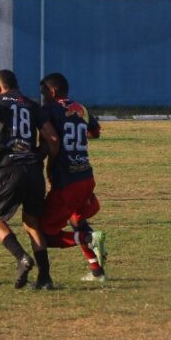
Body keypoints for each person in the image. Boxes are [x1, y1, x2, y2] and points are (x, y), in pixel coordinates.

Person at [0, 69, 59, 289]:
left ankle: (22, 258)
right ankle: (45, 278)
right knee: (32, 222)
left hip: (8, 168)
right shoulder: (33, 105)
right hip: (33, 170)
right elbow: (52, 138)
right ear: (16, 86)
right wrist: (41, 157)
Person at [38, 72, 107, 283]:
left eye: (43, 93)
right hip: (85, 176)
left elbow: (51, 141)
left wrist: (48, 167)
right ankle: (97, 272)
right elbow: (96, 133)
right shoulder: (81, 108)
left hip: (67, 181)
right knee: (76, 219)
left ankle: (87, 238)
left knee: (42, 233)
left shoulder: (48, 109)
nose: (42, 97)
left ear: (52, 91)